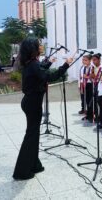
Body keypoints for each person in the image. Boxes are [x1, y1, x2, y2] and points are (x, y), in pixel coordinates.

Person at [13, 38, 72, 180]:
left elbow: (40, 70)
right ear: (33, 48)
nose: (41, 46)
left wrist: (49, 62)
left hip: (31, 102)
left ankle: (34, 165)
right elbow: (48, 77)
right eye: (38, 45)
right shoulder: (33, 64)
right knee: (31, 136)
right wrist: (65, 65)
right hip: (32, 103)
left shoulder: (31, 63)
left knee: (34, 135)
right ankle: (22, 171)